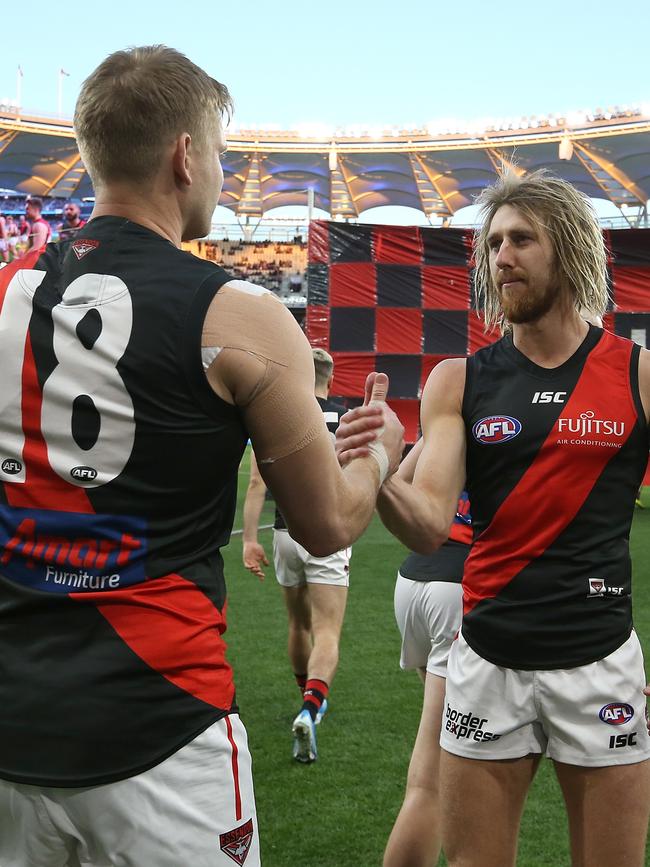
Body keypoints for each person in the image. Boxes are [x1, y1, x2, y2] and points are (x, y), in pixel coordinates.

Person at [0, 45, 404, 867]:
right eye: (220, 153)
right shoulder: (242, 316)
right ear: (186, 155)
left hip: (14, 725)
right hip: (163, 722)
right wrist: (380, 456)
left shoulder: (7, 289)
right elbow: (327, 524)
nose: (221, 173)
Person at [337, 169, 650, 867]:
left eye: (520, 239)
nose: (500, 255)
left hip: (600, 664)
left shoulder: (637, 375)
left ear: (569, 249)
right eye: (494, 242)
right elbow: (426, 525)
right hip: (486, 661)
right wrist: (381, 467)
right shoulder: (460, 379)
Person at [242, 348, 350, 763]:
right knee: (327, 630)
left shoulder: (277, 415)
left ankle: (306, 695)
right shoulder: (346, 417)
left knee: (297, 622)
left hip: (285, 532)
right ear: (331, 378)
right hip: (328, 532)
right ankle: (311, 707)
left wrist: (250, 540)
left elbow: (256, 484)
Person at [383, 438, 471, 867]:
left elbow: (394, 481)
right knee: (430, 781)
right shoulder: (511, 410)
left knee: (447, 747)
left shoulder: (447, 418)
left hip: (412, 581)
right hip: (456, 589)